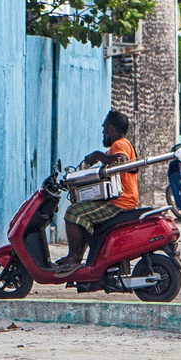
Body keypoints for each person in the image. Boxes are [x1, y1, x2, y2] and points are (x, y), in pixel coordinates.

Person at [61, 110, 138, 272]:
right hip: (123, 201)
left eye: (104, 128)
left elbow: (121, 160)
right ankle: (79, 259)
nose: (103, 132)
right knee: (84, 212)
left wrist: (97, 155)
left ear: (111, 128)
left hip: (119, 203)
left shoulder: (120, 144)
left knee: (73, 212)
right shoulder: (123, 144)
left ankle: (73, 258)